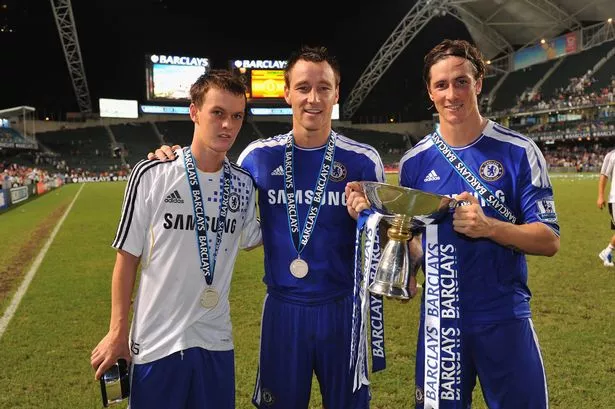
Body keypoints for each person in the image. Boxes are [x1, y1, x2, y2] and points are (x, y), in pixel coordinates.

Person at [149, 45, 386, 409]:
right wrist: (171, 157)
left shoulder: (363, 160)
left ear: (337, 93)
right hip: (283, 312)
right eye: (303, 87)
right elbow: (209, 176)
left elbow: (387, 242)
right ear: (287, 92)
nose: (314, 98)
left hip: (342, 311)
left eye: (324, 88)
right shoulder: (258, 157)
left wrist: (371, 220)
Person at [349, 39, 560, 409]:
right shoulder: (415, 163)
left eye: (461, 81)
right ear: (430, 92)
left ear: (478, 83)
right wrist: (378, 225)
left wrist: (489, 227)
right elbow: (412, 244)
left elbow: (548, 239)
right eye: (441, 85)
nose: (452, 94)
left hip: (504, 316)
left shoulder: (519, 151)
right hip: (440, 323)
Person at [90, 69, 262, 409]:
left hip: (216, 343)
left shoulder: (243, 184)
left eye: (237, 116)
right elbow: (126, 260)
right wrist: (116, 332)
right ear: (194, 112)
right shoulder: (153, 174)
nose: (228, 125)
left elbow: (259, 236)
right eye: (218, 113)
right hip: (156, 344)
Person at [597, 148, 615, 267]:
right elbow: (604, 175)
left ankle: (607, 252)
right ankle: (607, 252)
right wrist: (600, 196)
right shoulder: (611, 155)